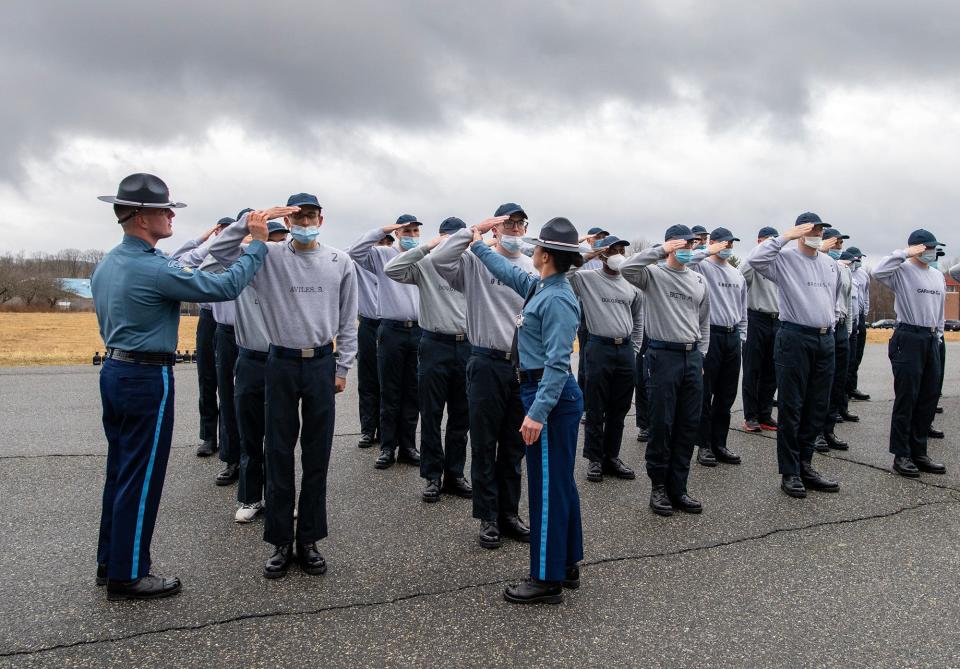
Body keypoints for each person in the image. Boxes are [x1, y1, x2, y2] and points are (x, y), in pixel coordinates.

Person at [92, 173, 269, 600]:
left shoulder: (109, 263)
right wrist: (257, 244)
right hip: (145, 376)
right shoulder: (152, 268)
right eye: (163, 210)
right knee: (142, 475)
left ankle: (110, 561)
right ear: (139, 217)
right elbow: (224, 285)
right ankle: (130, 573)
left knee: (120, 471)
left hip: (116, 370)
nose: (171, 215)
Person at [210, 193, 358, 578]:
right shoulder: (269, 256)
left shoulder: (339, 261)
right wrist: (253, 223)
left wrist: (343, 368)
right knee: (277, 451)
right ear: (288, 221)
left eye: (311, 217)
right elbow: (219, 253)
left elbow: (348, 320)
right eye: (298, 218)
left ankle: (308, 539)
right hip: (279, 362)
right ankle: (279, 540)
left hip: (321, 363)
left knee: (316, 454)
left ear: (322, 220)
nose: (305, 224)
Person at [470, 215, 585, 605]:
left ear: (546, 255)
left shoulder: (557, 299)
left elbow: (558, 364)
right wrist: (479, 245)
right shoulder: (542, 286)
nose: (529, 251)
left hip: (548, 397)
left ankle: (546, 578)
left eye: (535, 247)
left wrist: (536, 413)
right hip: (541, 392)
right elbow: (505, 271)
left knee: (547, 489)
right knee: (559, 484)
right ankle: (566, 563)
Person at [433, 203, 535, 549]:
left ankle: (509, 513)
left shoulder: (530, 266)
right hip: (485, 361)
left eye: (520, 224)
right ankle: (488, 517)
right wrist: (472, 229)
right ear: (495, 229)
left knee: (514, 445)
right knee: (484, 442)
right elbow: (439, 259)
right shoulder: (475, 262)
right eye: (508, 224)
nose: (515, 230)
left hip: (520, 365)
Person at [746, 212, 842, 499]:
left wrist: (832, 324)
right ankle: (790, 471)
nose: (817, 234)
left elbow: (833, 298)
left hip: (824, 339)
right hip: (794, 336)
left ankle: (806, 464)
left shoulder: (829, 264)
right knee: (792, 405)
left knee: (817, 405)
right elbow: (755, 259)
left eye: (821, 230)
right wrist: (785, 236)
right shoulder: (785, 259)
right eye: (812, 229)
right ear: (801, 231)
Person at [621, 225, 710, 517]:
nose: (689, 249)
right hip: (662, 356)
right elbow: (627, 268)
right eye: (683, 244)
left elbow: (704, 321)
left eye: (693, 244)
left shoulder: (698, 279)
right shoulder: (653, 275)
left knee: (687, 425)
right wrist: (661, 249)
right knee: (662, 424)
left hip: (691, 357)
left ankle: (679, 487)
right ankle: (658, 487)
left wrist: (702, 355)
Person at [384, 217, 473, 502]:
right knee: (432, 415)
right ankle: (432, 476)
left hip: (468, 344)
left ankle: (455, 474)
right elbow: (392, 269)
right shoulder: (427, 263)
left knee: (462, 416)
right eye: (447, 238)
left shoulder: (473, 265)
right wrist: (427, 247)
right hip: (435, 343)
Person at [208, 218, 290, 524]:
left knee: (281, 435)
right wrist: (246, 230)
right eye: (271, 240)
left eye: (281, 240)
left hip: (283, 360)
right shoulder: (243, 267)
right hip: (250, 359)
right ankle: (251, 497)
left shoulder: (288, 272)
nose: (276, 246)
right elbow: (217, 250)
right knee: (251, 433)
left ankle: (281, 499)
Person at [349, 217, 423, 470]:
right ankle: (387, 447)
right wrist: (383, 230)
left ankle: (408, 446)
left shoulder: (422, 256)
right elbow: (355, 252)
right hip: (390, 329)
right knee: (389, 391)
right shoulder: (382, 254)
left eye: (415, 230)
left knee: (412, 392)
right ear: (398, 233)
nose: (412, 234)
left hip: (417, 330)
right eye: (406, 231)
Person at [873, 231, 947, 478]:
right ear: (916, 248)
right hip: (908, 335)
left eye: (934, 247)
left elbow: (940, 310)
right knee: (908, 396)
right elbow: (879, 271)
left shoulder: (937, 276)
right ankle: (901, 454)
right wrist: (905, 253)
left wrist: (937, 336)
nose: (932, 251)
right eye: (927, 247)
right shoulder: (902, 271)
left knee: (928, 397)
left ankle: (919, 451)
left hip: (929, 337)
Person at [569, 235, 642, 482]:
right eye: (613, 250)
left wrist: (635, 347)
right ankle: (594, 459)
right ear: (602, 255)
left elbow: (638, 317)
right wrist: (589, 254)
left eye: (621, 249)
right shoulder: (586, 279)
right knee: (595, 406)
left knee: (618, 409)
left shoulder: (631, 284)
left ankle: (612, 456)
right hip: (598, 346)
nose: (618, 254)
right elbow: (564, 274)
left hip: (624, 350)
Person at [686, 227, 747, 468]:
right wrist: (707, 249)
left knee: (727, 394)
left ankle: (719, 442)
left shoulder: (736, 274)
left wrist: (742, 335)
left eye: (731, 243)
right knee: (705, 393)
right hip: (710, 334)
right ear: (714, 243)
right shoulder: (702, 266)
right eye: (723, 243)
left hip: (732, 336)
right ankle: (704, 446)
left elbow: (743, 309)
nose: (727, 247)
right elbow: (690, 259)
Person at [192, 215, 241, 456]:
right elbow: (189, 263)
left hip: (234, 323)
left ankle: (231, 441)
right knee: (208, 378)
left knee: (231, 388)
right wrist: (208, 240)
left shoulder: (240, 253)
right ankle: (209, 436)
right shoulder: (213, 251)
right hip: (209, 318)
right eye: (220, 229)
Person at [818, 228, 855, 453]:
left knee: (838, 382)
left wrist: (848, 329)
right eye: (835, 242)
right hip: (826, 327)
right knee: (822, 385)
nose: (839, 246)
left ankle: (829, 428)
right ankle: (816, 433)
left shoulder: (844, 270)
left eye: (841, 243)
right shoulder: (818, 267)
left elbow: (848, 301)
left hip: (841, 329)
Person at [740, 226, 780, 433]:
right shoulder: (753, 264)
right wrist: (757, 253)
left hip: (777, 320)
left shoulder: (779, 264)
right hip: (756, 318)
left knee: (771, 371)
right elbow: (741, 277)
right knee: (752, 370)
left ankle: (765, 414)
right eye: (767, 242)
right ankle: (751, 416)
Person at [356, 234, 395, 448]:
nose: (385, 248)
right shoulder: (362, 263)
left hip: (389, 325)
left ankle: (386, 430)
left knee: (389, 383)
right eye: (381, 244)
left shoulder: (398, 266)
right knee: (368, 379)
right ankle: (367, 429)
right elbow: (350, 250)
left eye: (389, 244)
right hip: (370, 325)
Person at [845, 246, 872, 402]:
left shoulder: (863, 275)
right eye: (856, 259)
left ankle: (852, 386)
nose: (858, 261)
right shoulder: (845, 271)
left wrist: (865, 313)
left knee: (857, 354)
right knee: (847, 356)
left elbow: (866, 294)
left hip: (859, 317)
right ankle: (844, 389)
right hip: (849, 316)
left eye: (860, 259)